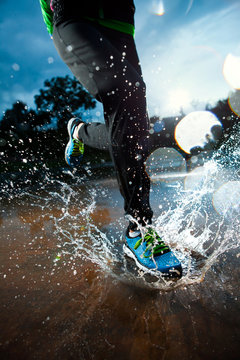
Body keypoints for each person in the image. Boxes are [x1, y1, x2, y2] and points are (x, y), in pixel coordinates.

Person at [39, 0, 182, 276]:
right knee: (129, 91)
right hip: (74, 15)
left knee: (135, 130)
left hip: (120, 22)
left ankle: (79, 131)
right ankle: (138, 228)